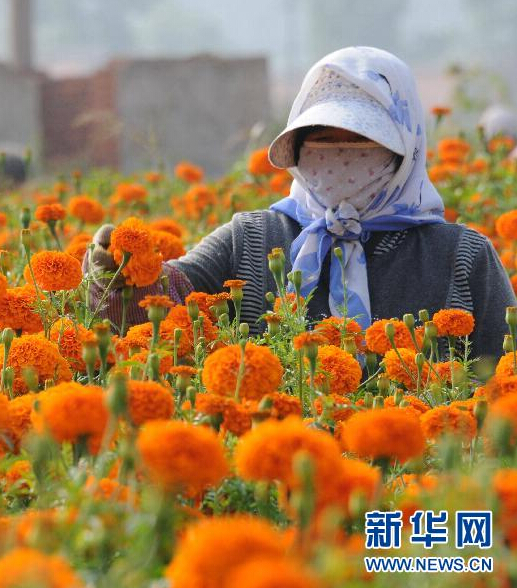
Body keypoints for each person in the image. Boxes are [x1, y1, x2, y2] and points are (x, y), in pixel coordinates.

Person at [84, 46, 516, 360]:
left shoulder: (461, 257)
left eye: (362, 139)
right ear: (298, 146)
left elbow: (505, 381)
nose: (341, 153)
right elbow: (168, 297)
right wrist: (122, 270)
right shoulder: (252, 239)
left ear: (406, 147)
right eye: (324, 138)